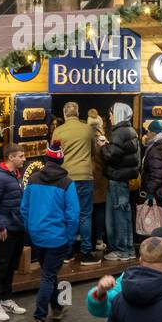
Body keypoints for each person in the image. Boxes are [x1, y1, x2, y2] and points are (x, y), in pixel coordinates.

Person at [20, 140, 80, 322]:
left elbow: (25, 208)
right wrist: (70, 238)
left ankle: (57, 307)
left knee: (49, 272)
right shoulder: (67, 183)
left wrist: (31, 229)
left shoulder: (33, 179)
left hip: (37, 235)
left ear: (46, 159)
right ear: (61, 160)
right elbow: (73, 214)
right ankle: (39, 318)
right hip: (57, 237)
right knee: (47, 276)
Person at [0, 143, 27, 322]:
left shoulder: (15, 175)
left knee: (11, 266)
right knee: (1, 266)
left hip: (17, 227)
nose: (24, 159)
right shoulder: (0, 178)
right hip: (5, 230)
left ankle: (6, 298)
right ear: (11, 157)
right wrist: (0, 226)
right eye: (21, 156)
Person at [54, 102, 99, 266]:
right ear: (78, 113)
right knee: (85, 214)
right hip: (85, 176)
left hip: (65, 178)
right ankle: (86, 253)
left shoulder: (58, 131)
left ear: (65, 114)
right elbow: (94, 152)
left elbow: (55, 155)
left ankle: (67, 252)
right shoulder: (88, 129)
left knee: (67, 214)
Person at [101, 102, 139, 261]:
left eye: (111, 114)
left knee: (118, 215)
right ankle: (128, 249)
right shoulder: (130, 130)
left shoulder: (119, 132)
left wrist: (103, 146)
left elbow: (111, 156)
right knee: (124, 214)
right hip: (123, 179)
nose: (109, 117)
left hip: (117, 178)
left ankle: (122, 250)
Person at [88, 113, 110, 257]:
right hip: (101, 179)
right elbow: (108, 157)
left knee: (87, 211)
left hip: (88, 177)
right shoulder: (103, 140)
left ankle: (88, 241)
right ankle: (99, 239)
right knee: (100, 210)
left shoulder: (85, 139)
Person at [140, 120, 162, 208]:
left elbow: (157, 175)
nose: (147, 134)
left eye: (148, 131)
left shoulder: (155, 150)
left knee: (154, 218)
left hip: (156, 192)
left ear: (154, 133)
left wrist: (148, 191)